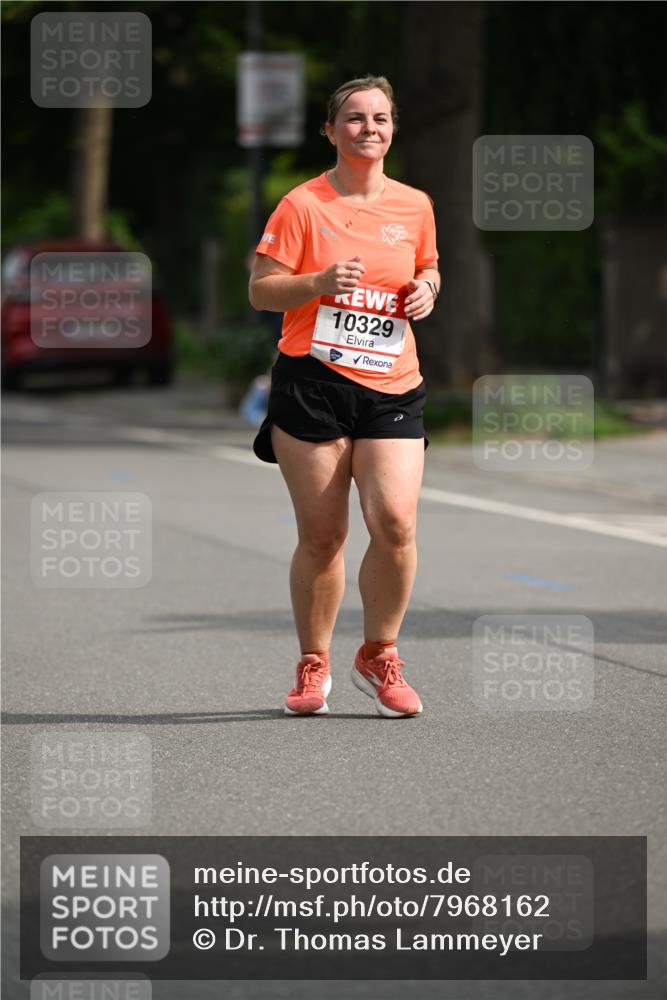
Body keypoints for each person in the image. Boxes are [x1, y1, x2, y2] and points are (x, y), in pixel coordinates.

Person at [248, 75, 440, 719]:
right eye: (355, 119)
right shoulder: (302, 205)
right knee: (324, 535)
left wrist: (428, 289)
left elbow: (428, 265)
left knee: (396, 523)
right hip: (314, 384)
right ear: (330, 131)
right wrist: (319, 282)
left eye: (380, 118)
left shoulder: (415, 205)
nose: (369, 129)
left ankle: (379, 655)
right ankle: (314, 662)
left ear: (393, 128)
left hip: (392, 382)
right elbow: (261, 290)